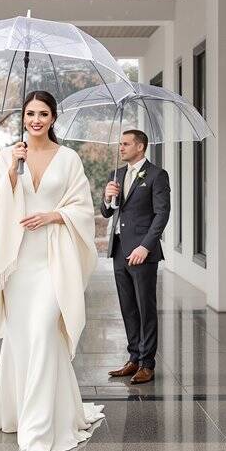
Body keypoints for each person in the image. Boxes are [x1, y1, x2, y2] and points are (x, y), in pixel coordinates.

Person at [0, 90, 104, 451]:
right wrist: (10, 173)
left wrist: (54, 215)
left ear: (53, 118)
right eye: (29, 113)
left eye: (42, 113)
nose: (35, 120)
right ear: (22, 117)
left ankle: (38, 432)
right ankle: (41, 410)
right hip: (18, 261)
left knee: (43, 330)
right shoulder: (10, 156)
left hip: (54, 258)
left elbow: (83, 209)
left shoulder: (69, 159)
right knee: (26, 338)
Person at [99, 130, 170, 385]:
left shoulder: (156, 175)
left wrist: (146, 247)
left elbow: (161, 214)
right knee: (128, 307)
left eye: (126, 144)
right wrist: (108, 198)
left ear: (140, 147)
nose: (121, 148)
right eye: (120, 144)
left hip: (142, 253)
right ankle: (133, 358)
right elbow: (107, 213)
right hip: (119, 250)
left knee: (145, 308)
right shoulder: (116, 175)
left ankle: (147, 364)